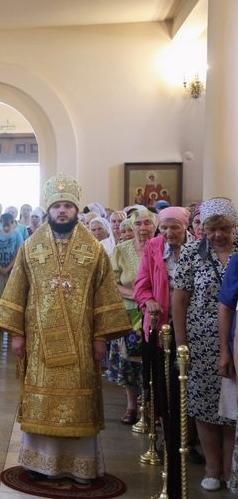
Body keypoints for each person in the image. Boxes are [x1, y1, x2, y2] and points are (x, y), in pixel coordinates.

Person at [0, 174, 131, 484]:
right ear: (49, 210)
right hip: (39, 342)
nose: (63, 211)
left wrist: (100, 337)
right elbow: (17, 291)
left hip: (81, 342)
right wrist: (17, 334)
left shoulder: (93, 249)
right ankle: (39, 464)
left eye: (68, 206)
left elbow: (104, 294)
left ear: (76, 209)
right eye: (57, 206)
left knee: (79, 402)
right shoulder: (31, 246)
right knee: (41, 400)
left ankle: (80, 466)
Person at [172, 197, 238, 491]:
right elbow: (180, 299)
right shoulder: (191, 252)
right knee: (204, 404)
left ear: (234, 226)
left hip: (236, 338)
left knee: (232, 405)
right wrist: (181, 343)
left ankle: (229, 468)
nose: (218, 235)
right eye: (211, 229)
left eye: (224, 228)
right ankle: (212, 467)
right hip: (200, 340)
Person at [133, 206, 191, 499]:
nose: (168, 234)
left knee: (185, 391)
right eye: (164, 228)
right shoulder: (154, 247)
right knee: (163, 390)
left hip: (190, 329)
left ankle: (186, 440)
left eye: (174, 228)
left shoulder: (197, 248)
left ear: (186, 228)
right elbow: (141, 284)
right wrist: (148, 301)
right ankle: (169, 437)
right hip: (159, 328)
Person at [107, 209, 157, 425]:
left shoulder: (161, 247)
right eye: (138, 224)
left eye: (147, 223)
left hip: (157, 312)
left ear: (155, 225)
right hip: (130, 312)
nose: (143, 228)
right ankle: (131, 406)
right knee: (129, 362)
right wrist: (138, 296)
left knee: (154, 360)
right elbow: (111, 282)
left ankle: (153, 405)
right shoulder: (121, 250)